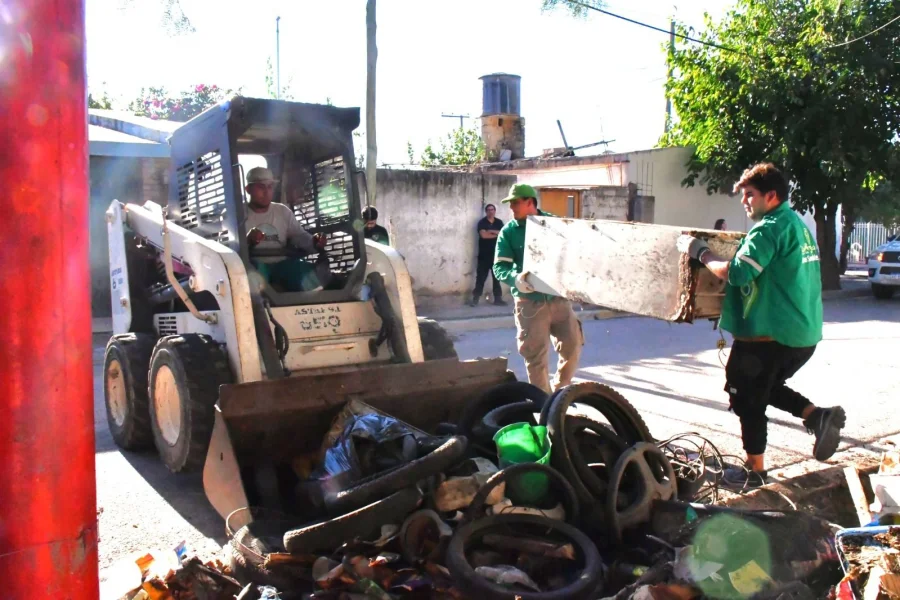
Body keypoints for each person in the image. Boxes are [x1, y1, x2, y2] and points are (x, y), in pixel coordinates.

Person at [677, 163, 845, 488]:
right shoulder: (796, 225)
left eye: (750, 195)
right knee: (762, 386)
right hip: (801, 334)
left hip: (771, 335)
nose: (744, 201)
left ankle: (755, 472)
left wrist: (702, 253)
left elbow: (738, 273)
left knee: (745, 395)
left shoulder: (769, 228)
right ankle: (817, 416)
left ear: (771, 196)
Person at [493, 183, 584, 395]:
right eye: (510, 203)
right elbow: (499, 267)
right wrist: (515, 279)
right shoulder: (508, 232)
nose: (511, 208)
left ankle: (560, 393)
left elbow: (572, 254)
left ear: (530, 202)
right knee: (535, 358)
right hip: (529, 303)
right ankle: (544, 403)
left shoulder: (553, 224)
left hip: (558, 299)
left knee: (573, 346)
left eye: (515, 203)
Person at [244, 166, 327, 291]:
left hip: (281, 264)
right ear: (248, 189)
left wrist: (314, 241)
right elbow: (231, 249)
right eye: (261, 187)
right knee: (252, 277)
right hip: (255, 264)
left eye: (270, 187)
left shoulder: (282, 211)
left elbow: (299, 236)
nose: (266, 192)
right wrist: (247, 241)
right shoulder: (238, 214)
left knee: (308, 275)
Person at [470, 204, 506, 306]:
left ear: (495, 211)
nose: (491, 211)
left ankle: (498, 299)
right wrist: (497, 234)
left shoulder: (499, 222)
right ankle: (475, 299)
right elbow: (484, 235)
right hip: (484, 256)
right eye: (489, 210)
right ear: (486, 212)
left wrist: (490, 231)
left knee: (497, 278)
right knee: (480, 278)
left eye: (492, 210)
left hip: (496, 255)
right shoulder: (482, 222)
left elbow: (503, 233)